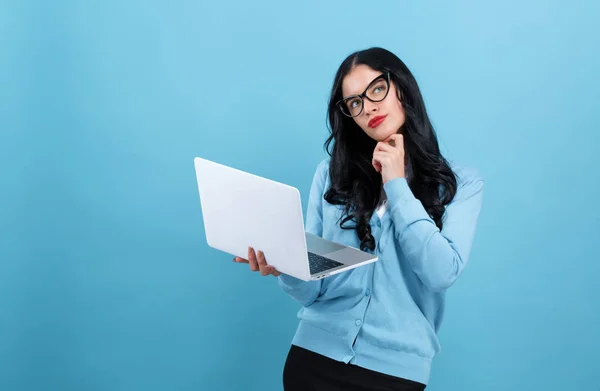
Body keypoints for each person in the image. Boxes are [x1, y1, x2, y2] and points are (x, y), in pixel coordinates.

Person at [234, 47, 484, 391]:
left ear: (402, 88)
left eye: (376, 89)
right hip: (312, 359)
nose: (369, 108)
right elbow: (313, 289)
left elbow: (441, 272)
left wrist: (396, 184)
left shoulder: (460, 183)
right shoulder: (331, 175)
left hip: (394, 374)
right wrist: (285, 265)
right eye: (355, 103)